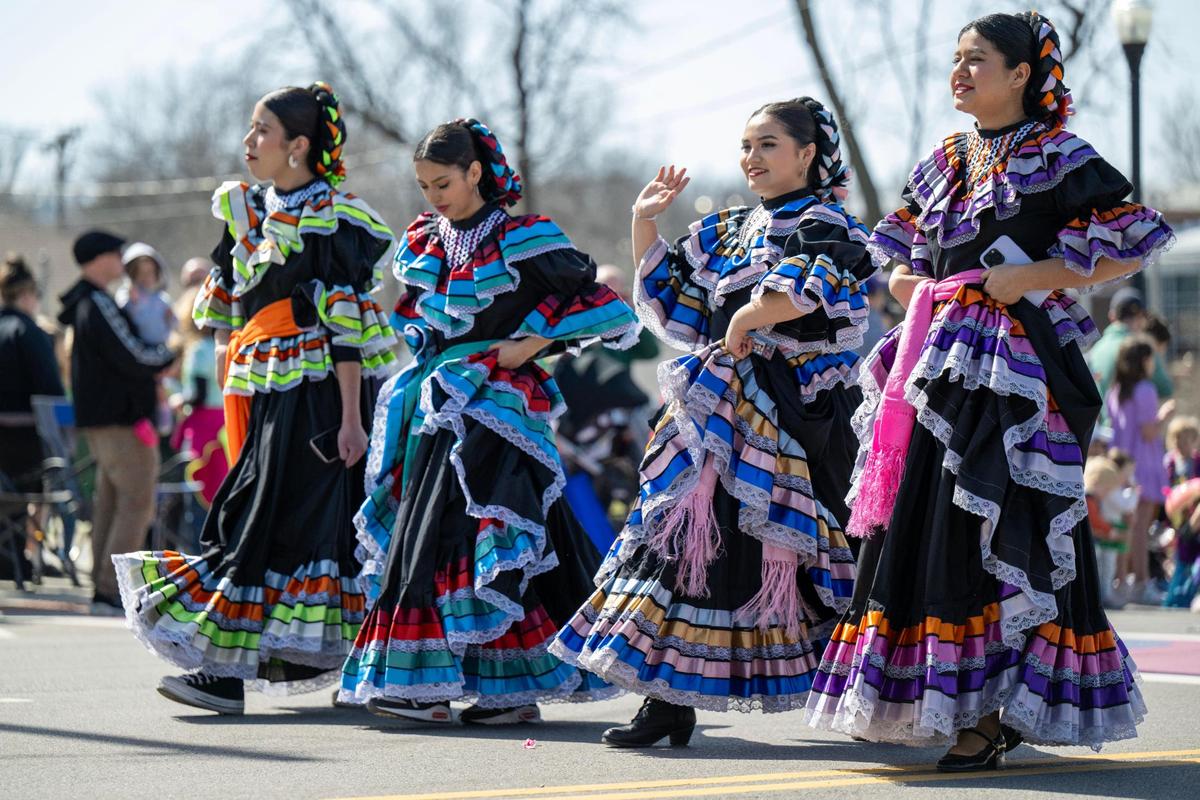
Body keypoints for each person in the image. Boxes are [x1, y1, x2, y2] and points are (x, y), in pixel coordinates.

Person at [805, 12, 1173, 769]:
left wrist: (1030, 276)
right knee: (930, 517)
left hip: (1017, 368)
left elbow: (1131, 239)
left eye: (978, 60)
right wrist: (910, 279)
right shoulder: (946, 157)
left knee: (1006, 514)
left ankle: (995, 707)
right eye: (956, 59)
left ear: (1022, 75)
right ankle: (945, 697)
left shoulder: (1058, 153)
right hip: (935, 359)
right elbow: (899, 244)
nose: (961, 72)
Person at [551, 97, 871, 747]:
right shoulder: (732, 228)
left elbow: (800, 291)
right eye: (746, 146)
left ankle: (869, 688)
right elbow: (677, 300)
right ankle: (665, 700)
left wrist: (747, 321)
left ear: (808, 154)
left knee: (824, 556)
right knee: (676, 544)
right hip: (716, 414)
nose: (751, 157)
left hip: (796, 413)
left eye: (768, 145)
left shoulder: (827, 224)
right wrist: (644, 223)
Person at [112, 82, 398, 715]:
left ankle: (229, 670)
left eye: (261, 131)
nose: (248, 143)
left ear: (298, 146)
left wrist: (353, 420)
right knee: (262, 516)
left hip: (322, 397)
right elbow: (222, 306)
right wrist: (227, 356)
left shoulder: (337, 216)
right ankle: (322, 662)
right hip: (263, 390)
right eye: (251, 129)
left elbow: (345, 324)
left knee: (277, 522)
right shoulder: (243, 208)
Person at [340, 118, 638, 725]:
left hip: (500, 403)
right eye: (424, 186)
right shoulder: (425, 237)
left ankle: (490, 688)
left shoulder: (525, 236)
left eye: (442, 182)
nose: (433, 196)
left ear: (476, 172)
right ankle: (488, 687)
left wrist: (531, 344)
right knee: (434, 528)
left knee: (493, 527)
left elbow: (596, 305)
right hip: (438, 398)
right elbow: (421, 321)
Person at [58, 232, 176, 611]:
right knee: (138, 500)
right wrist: (168, 354)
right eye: (115, 254)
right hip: (121, 421)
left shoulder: (86, 303)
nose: (121, 263)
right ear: (98, 259)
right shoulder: (98, 303)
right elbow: (132, 353)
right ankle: (112, 589)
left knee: (109, 501)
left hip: (101, 422)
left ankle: (102, 587)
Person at [0, 254, 66, 579]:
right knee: (28, 499)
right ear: (27, 295)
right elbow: (50, 389)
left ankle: (10, 559)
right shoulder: (29, 332)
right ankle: (22, 560)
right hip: (25, 436)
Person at [1106, 335, 1172, 604]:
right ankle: (1142, 582)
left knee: (1125, 525)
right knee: (1141, 527)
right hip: (1143, 464)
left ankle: (1123, 579)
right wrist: (1165, 414)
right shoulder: (1145, 390)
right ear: (1143, 361)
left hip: (1120, 463)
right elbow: (1148, 431)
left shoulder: (1116, 390)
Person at [1087, 287, 1173, 401]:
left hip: (1103, 418)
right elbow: (1165, 388)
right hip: (1135, 419)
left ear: (1112, 316)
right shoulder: (1142, 347)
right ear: (1141, 317)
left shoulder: (1095, 350)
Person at [1085, 456, 1124, 610]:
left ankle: (1101, 595)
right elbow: (1094, 520)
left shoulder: (1093, 499)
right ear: (1096, 482)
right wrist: (1109, 530)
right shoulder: (1089, 499)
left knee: (1101, 568)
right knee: (1098, 568)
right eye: (1107, 489)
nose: (1107, 494)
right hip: (1092, 543)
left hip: (1095, 539)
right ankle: (1099, 597)